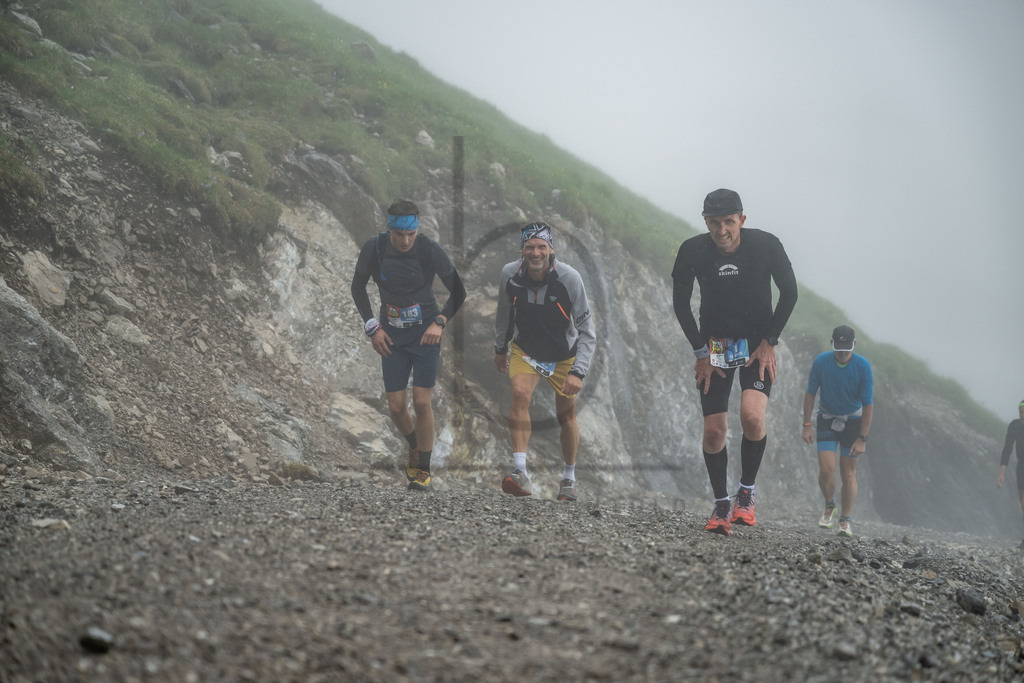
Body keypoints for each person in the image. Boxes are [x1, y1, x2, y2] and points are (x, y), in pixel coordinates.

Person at [672, 188, 798, 535]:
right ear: (705, 222)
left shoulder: (766, 245)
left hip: (757, 345)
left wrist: (770, 343)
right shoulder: (692, 251)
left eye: (729, 222)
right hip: (715, 347)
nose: (722, 231)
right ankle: (721, 504)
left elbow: (790, 293)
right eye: (714, 223)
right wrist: (701, 353)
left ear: (742, 220)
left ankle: (747, 492)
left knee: (753, 416)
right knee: (714, 431)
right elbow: (681, 305)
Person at [351, 199, 466, 491]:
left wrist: (439, 322)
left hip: (425, 332)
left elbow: (458, 291)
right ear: (390, 229)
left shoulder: (429, 249)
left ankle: (423, 471)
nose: (405, 241)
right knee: (396, 407)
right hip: (390, 333)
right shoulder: (374, 248)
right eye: (399, 235)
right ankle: (414, 446)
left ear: (417, 229)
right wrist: (371, 326)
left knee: (422, 401)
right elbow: (358, 286)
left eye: (410, 235)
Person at [494, 221, 596, 501]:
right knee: (519, 393)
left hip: (564, 355)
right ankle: (519, 471)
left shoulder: (570, 278)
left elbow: (588, 332)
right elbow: (504, 315)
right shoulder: (509, 274)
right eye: (529, 247)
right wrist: (500, 348)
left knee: (565, 415)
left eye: (541, 247)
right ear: (522, 250)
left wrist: (579, 372)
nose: (535, 253)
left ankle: (569, 478)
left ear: (552, 250)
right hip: (526, 349)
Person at [801, 325, 874, 538]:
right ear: (832, 344)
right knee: (826, 469)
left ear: (854, 345)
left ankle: (845, 519)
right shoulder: (821, 362)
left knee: (848, 473)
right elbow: (810, 393)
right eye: (839, 347)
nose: (843, 352)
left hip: (853, 421)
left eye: (847, 348)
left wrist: (862, 438)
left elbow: (868, 405)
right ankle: (830, 506)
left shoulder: (863, 367)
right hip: (827, 418)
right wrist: (806, 425)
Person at [997, 399, 1024, 550]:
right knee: (1023, 504)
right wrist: (1002, 473)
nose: (1022, 416)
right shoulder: (1014, 426)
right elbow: (1007, 449)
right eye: (1021, 412)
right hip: (1022, 466)